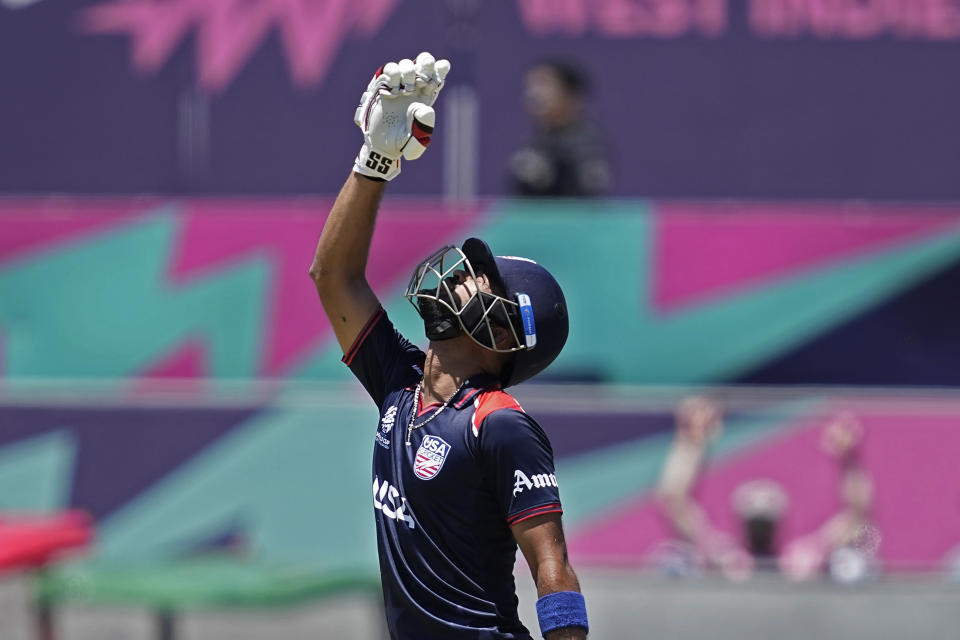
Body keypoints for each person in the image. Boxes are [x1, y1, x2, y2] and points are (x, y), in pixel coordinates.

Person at [309, 52, 588, 640]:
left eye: (481, 279)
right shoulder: (399, 381)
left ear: (506, 335)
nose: (463, 274)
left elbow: (551, 565)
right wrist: (375, 161)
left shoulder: (499, 423)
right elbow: (332, 277)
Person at [656, 397, 875, 582]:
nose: (760, 531)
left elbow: (856, 515)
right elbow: (675, 502)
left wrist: (849, 460)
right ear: (739, 520)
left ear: (781, 521)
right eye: (756, 522)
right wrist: (689, 444)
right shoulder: (725, 558)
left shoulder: (798, 561)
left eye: (765, 522)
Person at [508, 60, 611, 197]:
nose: (533, 94)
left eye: (544, 85)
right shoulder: (537, 140)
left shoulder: (588, 143)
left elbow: (585, 193)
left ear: (571, 96)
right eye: (531, 86)